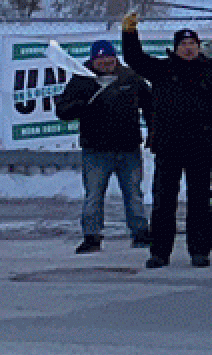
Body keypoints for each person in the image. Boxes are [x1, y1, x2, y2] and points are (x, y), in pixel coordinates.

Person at [119, 17, 212, 268]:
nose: (188, 48)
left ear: (199, 47)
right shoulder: (162, 70)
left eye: (192, 43)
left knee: (199, 201)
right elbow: (134, 59)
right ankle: (160, 252)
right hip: (168, 146)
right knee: (164, 202)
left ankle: (199, 250)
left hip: (201, 146)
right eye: (183, 44)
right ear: (175, 48)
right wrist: (129, 33)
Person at [54, 38, 152, 255]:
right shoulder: (82, 80)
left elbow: (150, 104)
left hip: (128, 147)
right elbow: (62, 110)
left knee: (134, 194)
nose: (105, 64)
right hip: (96, 149)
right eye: (100, 60)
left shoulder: (130, 78)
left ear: (115, 59)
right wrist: (81, 105)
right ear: (92, 61)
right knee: (94, 195)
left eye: (109, 59)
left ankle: (140, 233)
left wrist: (154, 131)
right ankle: (92, 236)